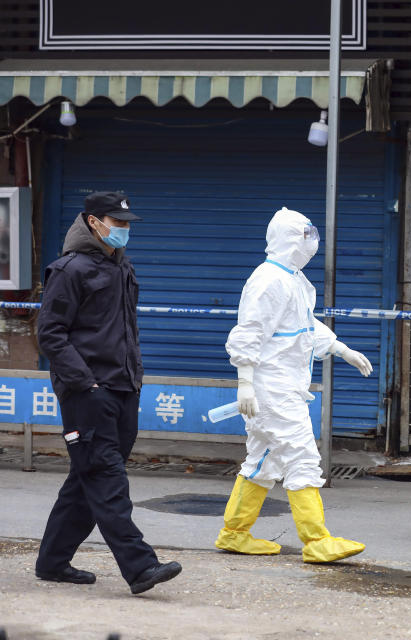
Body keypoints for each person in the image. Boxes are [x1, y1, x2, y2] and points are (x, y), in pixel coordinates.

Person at [35, 191, 182, 595]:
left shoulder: (121, 266)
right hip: (88, 391)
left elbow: (123, 330)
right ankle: (140, 566)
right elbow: (50, 334)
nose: (124, 229)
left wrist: (133, 377)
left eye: (127, 223)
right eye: (117, 223)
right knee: (105, 475)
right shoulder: (70, 270)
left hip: (123, 387)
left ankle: (52, 561)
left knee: (88, 477)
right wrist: (85, 383)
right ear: (93, 222)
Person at [216, 206, 372, 563]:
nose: (312, 241)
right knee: (302, 457)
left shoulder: (292, 278)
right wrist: (245, 383)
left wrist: (339, 347)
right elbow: (249, 332)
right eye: (306, 234)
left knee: (263, 460)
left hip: (280, 386)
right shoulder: (269, 280)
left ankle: (234, 533)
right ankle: (316, 540)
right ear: (289, 239)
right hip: (273, 389)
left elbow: (305, 325)